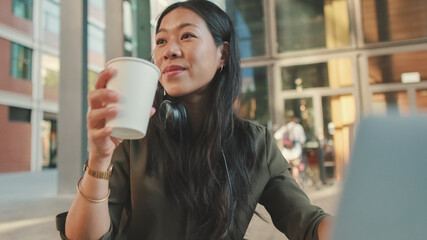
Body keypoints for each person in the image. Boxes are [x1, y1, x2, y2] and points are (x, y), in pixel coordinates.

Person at [57, 1, 332, 239]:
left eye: (186, 35)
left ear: (222, 54)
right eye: (161, 40)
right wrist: (99, 158)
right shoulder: (132, 136)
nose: (169, 51)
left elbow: (308, 224)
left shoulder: (256, 143)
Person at [274, 112, 306, 185]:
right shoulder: (298, 127)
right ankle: (297, 185)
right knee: (295, 168)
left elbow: (276, 136)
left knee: (286, 170)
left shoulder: (285, 127)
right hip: (296, 152)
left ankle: (287, 184)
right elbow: (302, 140)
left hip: (286, 152)